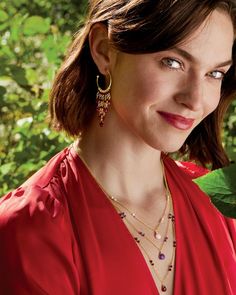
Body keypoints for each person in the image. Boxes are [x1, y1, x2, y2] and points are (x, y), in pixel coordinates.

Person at [0, 0, 236, 294]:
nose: (196, 100)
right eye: (172, 62)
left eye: (215, 74)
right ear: (103, 50)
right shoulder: (30, 229)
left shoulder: (217, 207)